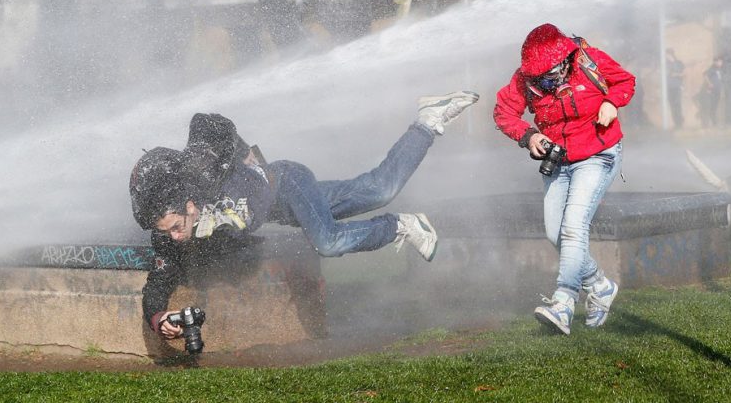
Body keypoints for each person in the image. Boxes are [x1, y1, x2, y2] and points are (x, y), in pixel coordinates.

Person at [130, 91, 479, 339]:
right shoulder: (169, 231)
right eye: (168, 232)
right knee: (379, 189)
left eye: (176, 226)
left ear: (190, 205)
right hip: (285, 206)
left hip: (288, 180)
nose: (174, 236)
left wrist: (226, 163)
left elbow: (206, 123)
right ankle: (428, 121)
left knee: (328, 242)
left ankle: (402, 225)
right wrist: (158, 318)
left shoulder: (201, 174)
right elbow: (157, 282)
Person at [493, 23, 635, 335]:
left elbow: (625, 81)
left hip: (599, 154)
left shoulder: (589, 61)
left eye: (551, 75)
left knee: (573, 227)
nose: (546, 83)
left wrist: (611, 103)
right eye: (539, 78)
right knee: (554, 232)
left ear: (566, 61)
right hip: (559, 161)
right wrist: (529, 135)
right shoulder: (525, 81)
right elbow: (503, 113)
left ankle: (564, 301)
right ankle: (600, 285)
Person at [700, 56, 724, 127]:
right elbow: (705, 74)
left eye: (721, 62)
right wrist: (709, 83)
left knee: (715, 106)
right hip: (712, 91)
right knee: (712, 106)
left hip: (718, 90)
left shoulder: (719, 69)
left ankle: (714, 121)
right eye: (719, 61)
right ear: (715, 62)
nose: (721, 63)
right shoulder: (712, 68)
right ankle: (714, 122)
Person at [665, 49, 685, 129]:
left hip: (677, 86)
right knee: (672, 105)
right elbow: (665, 74)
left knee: (677, 104)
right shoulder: (665, 64)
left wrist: (676, 74)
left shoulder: (679, 63)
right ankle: (676, 122)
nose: (667, 56)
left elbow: (684, 74)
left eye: (667, 54)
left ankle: (680, 121)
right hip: (669, 87)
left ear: (671, 54)